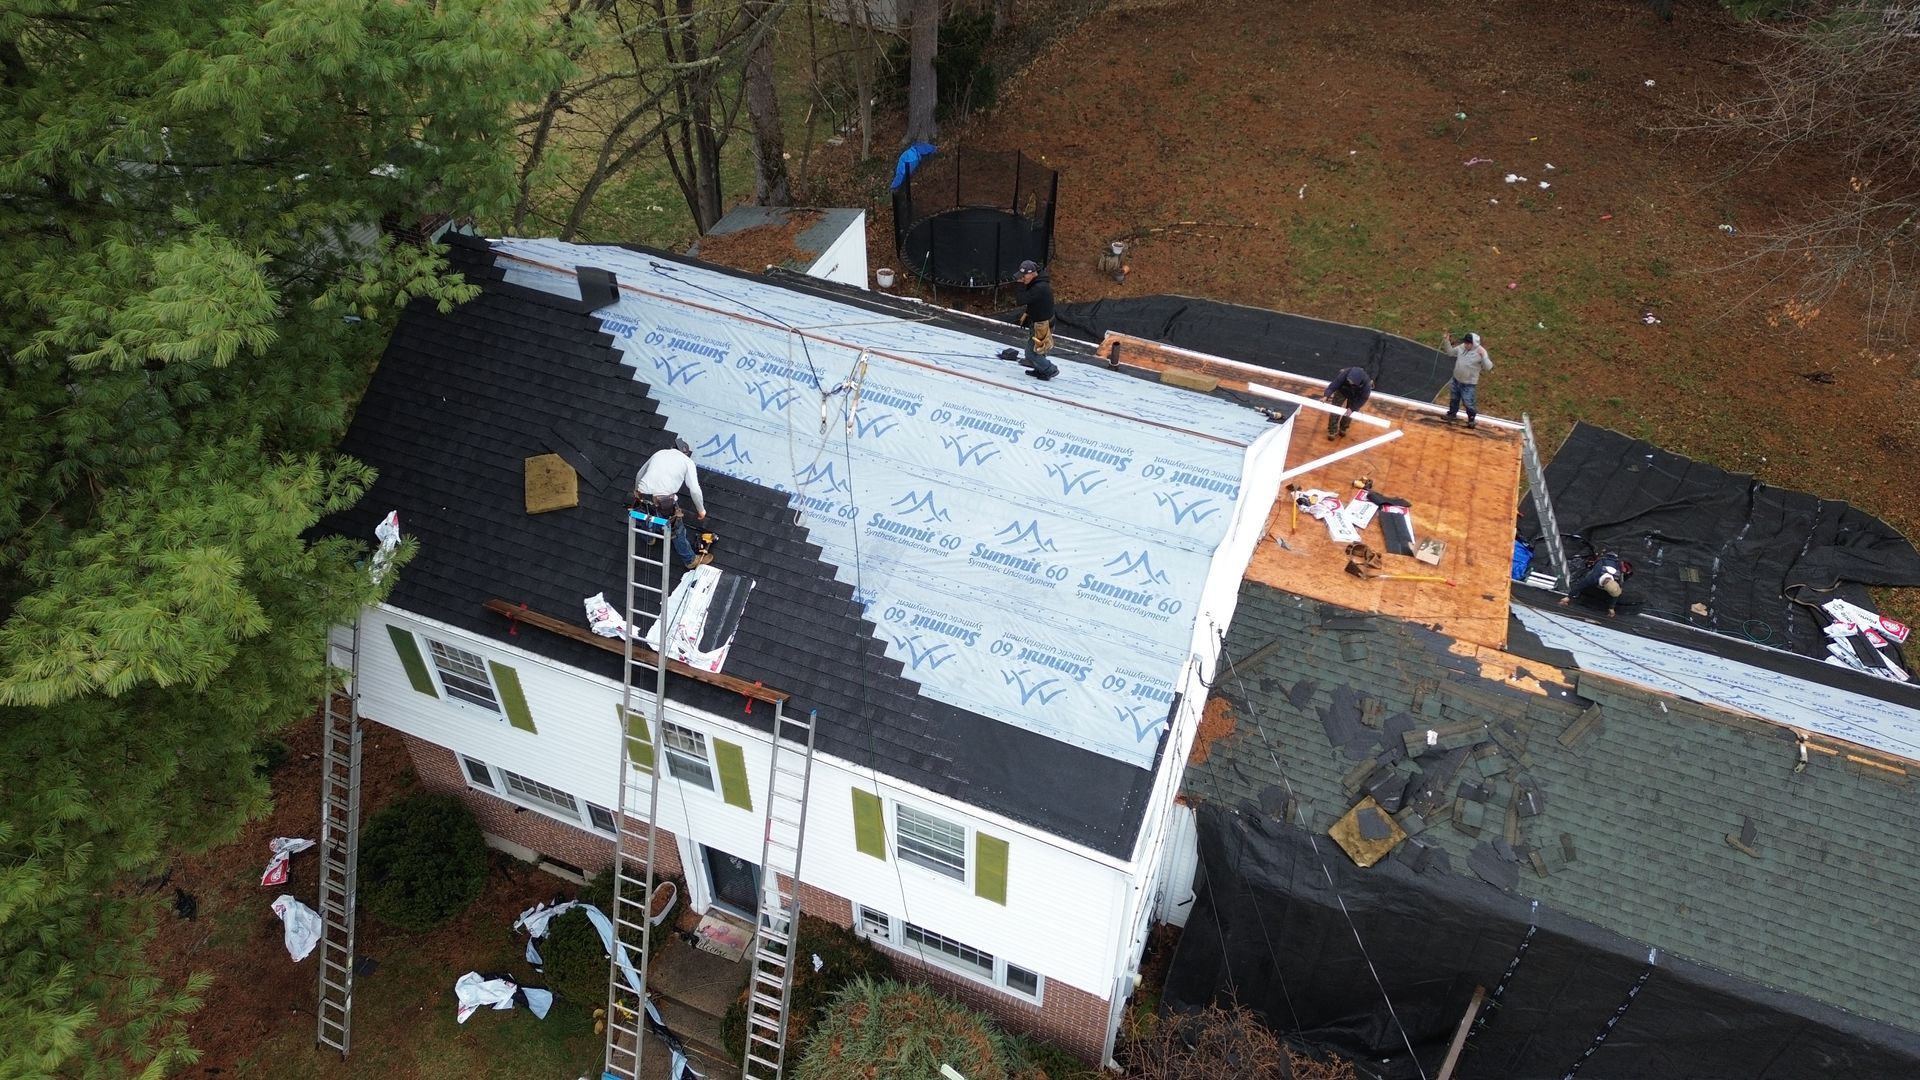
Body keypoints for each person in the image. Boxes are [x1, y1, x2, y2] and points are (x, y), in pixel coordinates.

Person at [632, 437, 710, 571]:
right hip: (664, 501)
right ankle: (690, 560)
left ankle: (649, 538)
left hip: (643, 493)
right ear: (685, 453)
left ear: (673, 447)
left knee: (646, 514)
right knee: (677, 530)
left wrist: (637, 493)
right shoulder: (687, 462)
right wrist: (701, 510)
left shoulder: (660, 453)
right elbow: (695, 490)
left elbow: (639, 474)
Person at [1013, 260, 1059, 381]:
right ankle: (1040, 370)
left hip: (1042, 325)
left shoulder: (1040, 287)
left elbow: (1021, 299)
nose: (1022, 279)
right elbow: (1034, 301)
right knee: (1039, 349)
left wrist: (1019, 285)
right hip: (1040, 321)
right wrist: (1027, 314)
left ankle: (1050, 369)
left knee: (1031, 353)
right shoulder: (1038, 282)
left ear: (1033, 273)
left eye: (1024, 276)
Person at [1443, 331, 1494, 427]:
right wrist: (1446, 341)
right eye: (1465, 342)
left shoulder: (1481, 352)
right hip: (1456, 379)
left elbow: (1488, 367)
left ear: (1473, 344)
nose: (1465, 345)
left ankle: (1471, 419)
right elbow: (1450, 353)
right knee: (1454, 399)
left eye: (1467, 343)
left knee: (1468, 402)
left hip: (1469, 384)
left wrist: (1484, 357)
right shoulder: (1461, 347)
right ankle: (1452, 414)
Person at [1560, 552, 1632, 616]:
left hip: (1615, 562)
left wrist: (1611, 608)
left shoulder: (1618, 578)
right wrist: (1568, 597)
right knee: (1587, 577)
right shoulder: (1593, 578)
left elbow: (1615, 593)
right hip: (1603, 559)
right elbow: (1579, 586)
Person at [1321, 366, 1373, 440]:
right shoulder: (1345, 374)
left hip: (1355, 396)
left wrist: (1352, 408)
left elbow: (1363, 398)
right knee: (1334, 410)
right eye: (1348, 380)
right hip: (1342, 391)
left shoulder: (1366, 384)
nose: (1349, 381)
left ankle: (1343, 428)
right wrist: (1326, 395)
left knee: (1350, 413)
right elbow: (1334, 384)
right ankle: (1332, 430)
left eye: (1351, 381)